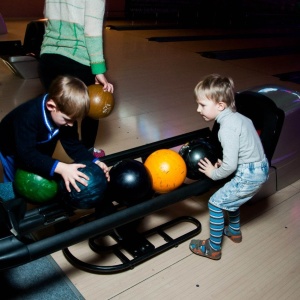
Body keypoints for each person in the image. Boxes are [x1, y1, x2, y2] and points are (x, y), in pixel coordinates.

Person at [189, 74, 269, 260]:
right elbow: (247, 148)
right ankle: (233, 231)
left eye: (202, 105)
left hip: (249, 174)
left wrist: (214, 172)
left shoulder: (226, 129)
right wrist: (224, 162)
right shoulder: (240, 118)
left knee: (216, 203)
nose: (198, 109)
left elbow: (231, 166)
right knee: (231, 198)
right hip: (259, 166)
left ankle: (213, 248)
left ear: (220, 106)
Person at [0, 75, 109, 193]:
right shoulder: (27, 117)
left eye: (74, 120)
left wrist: (95, 161)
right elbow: (26, 154)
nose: (71, 125)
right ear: (51, 106)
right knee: (14, 181)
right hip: (12, 147)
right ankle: (6, 199)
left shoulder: (66, 117)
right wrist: (61, 168)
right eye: (67, 119)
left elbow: (73, 146)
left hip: (40, 141)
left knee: (44, 166)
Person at [39, 0, 114, 156]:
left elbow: (47, 15)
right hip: (77, 59)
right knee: (92, 107)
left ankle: (40, 165)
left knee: (54, 114)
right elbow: (92, 30)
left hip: (48, 58)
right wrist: (98, 69)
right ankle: (87, 155)